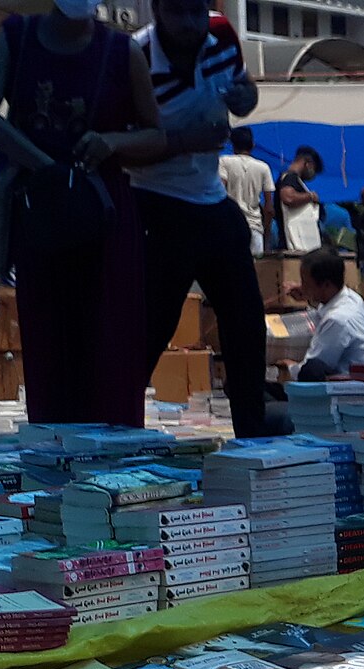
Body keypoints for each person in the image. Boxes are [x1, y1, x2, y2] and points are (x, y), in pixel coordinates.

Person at [0, 0, 162, 425]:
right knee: (47, 344)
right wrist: (43, 164)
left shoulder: (121, 51)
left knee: (109, 347)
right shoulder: (17, 36)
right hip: (41, 209)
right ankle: (55, 459)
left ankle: (115, 467)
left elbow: (155, 134)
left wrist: (112, 142)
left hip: (101, 212)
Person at [129, 0, 273, 437]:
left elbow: (244, 93)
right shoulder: (133, 57)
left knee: (247, 322)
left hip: (210, 196)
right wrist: (186, 141)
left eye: (196, 11)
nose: (190, 24)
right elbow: (120, 146)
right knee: (153, 325)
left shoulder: (223, 36)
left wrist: (244, 98)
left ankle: (252, 429)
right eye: (178, 13)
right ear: (156, 10)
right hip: (154, 199)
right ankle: (119, 426)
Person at [290, 246, 364, 379]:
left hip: (345, 386)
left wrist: (289, 367)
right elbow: (322, 311)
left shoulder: (337, 320)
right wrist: (308, 296)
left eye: (306, 283)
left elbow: (311, 368)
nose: (303, 287)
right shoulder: (352, 298)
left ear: (326, 285)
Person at [219, 127, 272, 252]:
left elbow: (220, 193)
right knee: (256, 269)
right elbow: (269, 208)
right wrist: (267, 235)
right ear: (252, 145)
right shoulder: (263, 167)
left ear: (232, 145)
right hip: (255, 227)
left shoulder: (224, 162)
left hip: (231, 225)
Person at [276, 145, 325, 251]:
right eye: (314, 169)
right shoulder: (290, 177)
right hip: (292, 246)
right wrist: (310, 196)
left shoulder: (296, 180)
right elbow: (288, 197)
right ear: (308, 164)